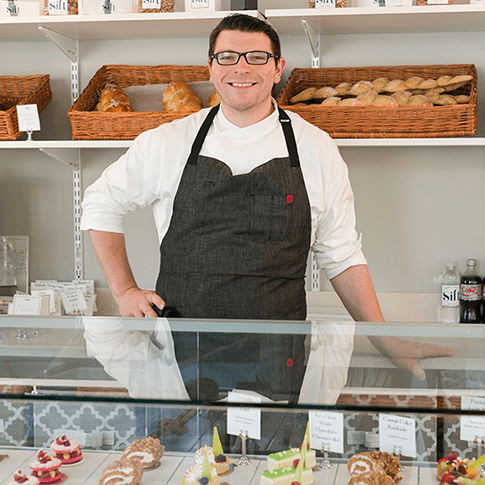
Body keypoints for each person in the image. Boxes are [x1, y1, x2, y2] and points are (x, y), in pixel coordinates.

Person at [81, 14, 453, 394]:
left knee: (281, 455)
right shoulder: (167, 142)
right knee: (183, 454)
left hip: (280, 360)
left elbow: (342, 255)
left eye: (257, 57)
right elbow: (99, 202)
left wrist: (386, 342)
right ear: (210, 69)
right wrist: (124, 290)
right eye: (227, 57)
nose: (241, 67)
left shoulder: (316, 148)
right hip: (180, 359)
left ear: (278, 69)